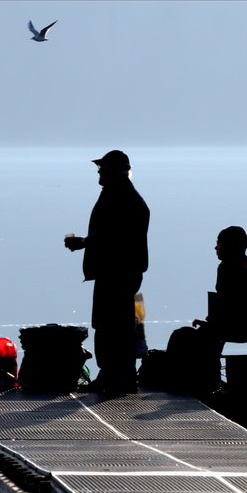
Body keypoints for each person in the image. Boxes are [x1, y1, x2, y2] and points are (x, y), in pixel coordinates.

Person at [65, 150, 150, 395]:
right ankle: (121, 376)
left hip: (117, 274)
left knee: (110, 326)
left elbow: (115, 236)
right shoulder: (122, 196)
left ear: (114, 171)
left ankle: (113, 377)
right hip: (121, 272)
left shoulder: (121, 197)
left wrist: (84, 242)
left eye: (102, 168)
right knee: (120, 325)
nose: (99, 172)